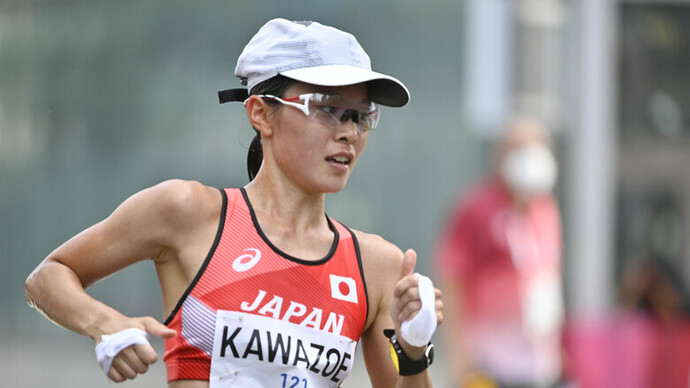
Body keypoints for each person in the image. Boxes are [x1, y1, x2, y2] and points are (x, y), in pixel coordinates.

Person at [25, 18, 443, 388]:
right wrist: (106, 324)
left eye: (360, 115)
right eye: (327, 108)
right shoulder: (188, 212)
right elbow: (48, 276)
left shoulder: (378, 264)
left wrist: (413, 351)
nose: (349, 132)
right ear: (260, 113)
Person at [434, 116, 563, 388]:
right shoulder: (475, 208)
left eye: (537, 148)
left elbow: (549, 278)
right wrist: (459, 359)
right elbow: (453, 280)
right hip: (489, 361)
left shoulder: (546, 210)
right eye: (519, 149)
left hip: (539, 363)